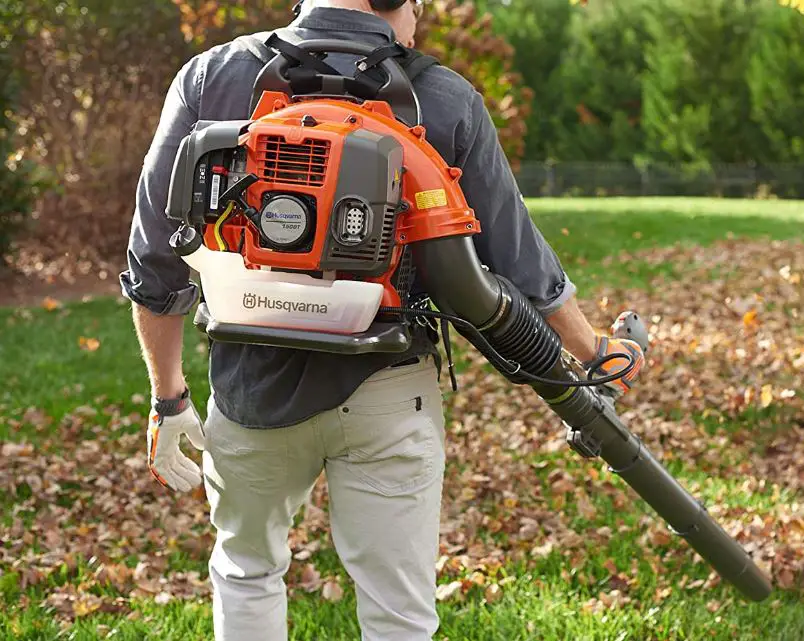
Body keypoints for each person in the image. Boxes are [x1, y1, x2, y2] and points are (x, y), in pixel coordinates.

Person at [120, 1, 645, 639]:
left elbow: (154, 257)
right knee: (398, 611)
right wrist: (591, 349)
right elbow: (517, 260)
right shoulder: (444, 99)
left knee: (247, 570)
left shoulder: (213, 77)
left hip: (250, 383)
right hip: (389, 390)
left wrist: (169, 398)